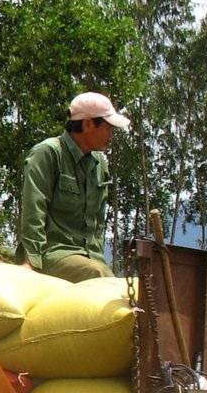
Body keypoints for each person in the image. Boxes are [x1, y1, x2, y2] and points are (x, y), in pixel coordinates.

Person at [17, 91, 131, 282]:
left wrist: (98, 259)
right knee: (98, 274)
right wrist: (31, 263)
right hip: (52, 253)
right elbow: (33, 211)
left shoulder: (99, 163)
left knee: (115, 282)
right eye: (108, 128)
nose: (111, 136)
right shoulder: (48, 153)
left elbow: (98, 224)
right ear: (87, 124)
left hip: (90, 259)